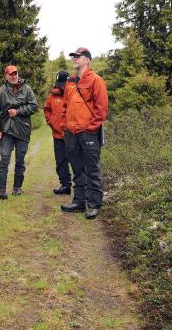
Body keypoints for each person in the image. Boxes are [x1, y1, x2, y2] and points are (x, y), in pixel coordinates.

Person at [60, 47, 108, 220]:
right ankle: (79, 201)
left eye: (78, 56)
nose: (74, 59)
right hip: (71, 132)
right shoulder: (70, 82)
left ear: (87, 60)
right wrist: (65, 124)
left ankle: (94, 204)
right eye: (73, 56)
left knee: (92, 169)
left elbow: (101, 109)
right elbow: (65, 106)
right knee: (77, 169)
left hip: (88, 133)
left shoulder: (96, 80)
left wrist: (91, 128)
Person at [0, 65, 38, 199]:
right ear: (6, 76)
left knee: (20, 160)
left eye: (15, 73)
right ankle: (1, 190)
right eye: (11, 74)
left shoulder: (27, 89)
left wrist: (18, 111)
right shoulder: (1, 91)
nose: (14, 75)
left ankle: (17, 188)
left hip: (23, 130)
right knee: (4, 159)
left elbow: (34, 106)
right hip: (6, 130)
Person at [44, 70, 73, 195]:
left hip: (72, 134)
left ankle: (82, 189)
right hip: (57, 134)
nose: (60, 86)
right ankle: (65, 185)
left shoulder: (74, 94)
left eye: (62, 83)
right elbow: (47, 109)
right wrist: (51, 122)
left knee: (76, 161)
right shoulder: (52, 95)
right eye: (59, 83)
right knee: (60, 161)